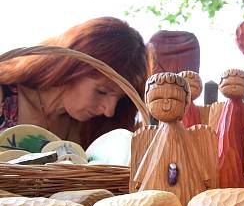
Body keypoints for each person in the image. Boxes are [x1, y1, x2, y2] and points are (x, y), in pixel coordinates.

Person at [0, 17, 148, 148]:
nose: (109, 111)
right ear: (71, 67)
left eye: (119, 99)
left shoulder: (93, 128)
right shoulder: (4, 96)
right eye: (101, 91)